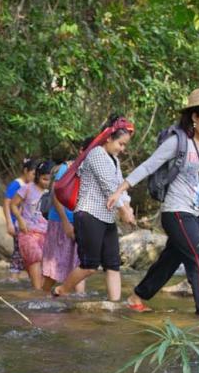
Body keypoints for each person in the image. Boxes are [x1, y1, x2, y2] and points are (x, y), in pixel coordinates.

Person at [107, 87, 199, 318]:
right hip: (176, 212)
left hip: (195, 213)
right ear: (195, 116)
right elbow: (148, 166)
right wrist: (120, 190)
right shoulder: (178, 142)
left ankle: (137, 297)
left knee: (171, 259)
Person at [52, 116, 136, 301]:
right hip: (89, 214)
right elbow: (108, 187)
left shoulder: (114, 160)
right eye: (120, 144)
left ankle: (115, 305)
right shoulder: (96, 154)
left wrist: (127, 207)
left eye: (124, 145)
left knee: (113, 264)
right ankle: (62, 290)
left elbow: (119, 186)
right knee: (90, 265)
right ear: (109, 138)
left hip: (107, 217)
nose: (122, 149)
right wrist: (123, 211)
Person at [41, 149, 86, 294]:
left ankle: (80, 299)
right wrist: (66, 222)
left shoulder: (90, 170)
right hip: (60, 222)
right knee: (55, 265)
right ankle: (42, 297)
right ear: (81, 151)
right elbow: (56, 195)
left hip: (80, 220)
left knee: (80, 263)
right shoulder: (66, 169)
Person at [11, 160, 54, 290]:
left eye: (49, 180)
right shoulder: (27, 188)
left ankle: (39, 293)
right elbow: (13, 204)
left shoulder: (53, 192)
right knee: (36, 256)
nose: (46, 182)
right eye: (44, 179)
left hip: (46, 234)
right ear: (37, 176)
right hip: (27, 232)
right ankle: (37, 292)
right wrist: (19, 219)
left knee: (45, 266)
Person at [3, 157, 35, 281]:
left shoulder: (29, 185)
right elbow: (6, 203)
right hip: (16, 223)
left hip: (25, 223)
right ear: (25, 171)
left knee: (25, 251)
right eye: (33, 174)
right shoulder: (16, 184)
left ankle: (24, 277)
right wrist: (9, 223)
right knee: (18, 251)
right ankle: (14, 278)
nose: (34, 177)